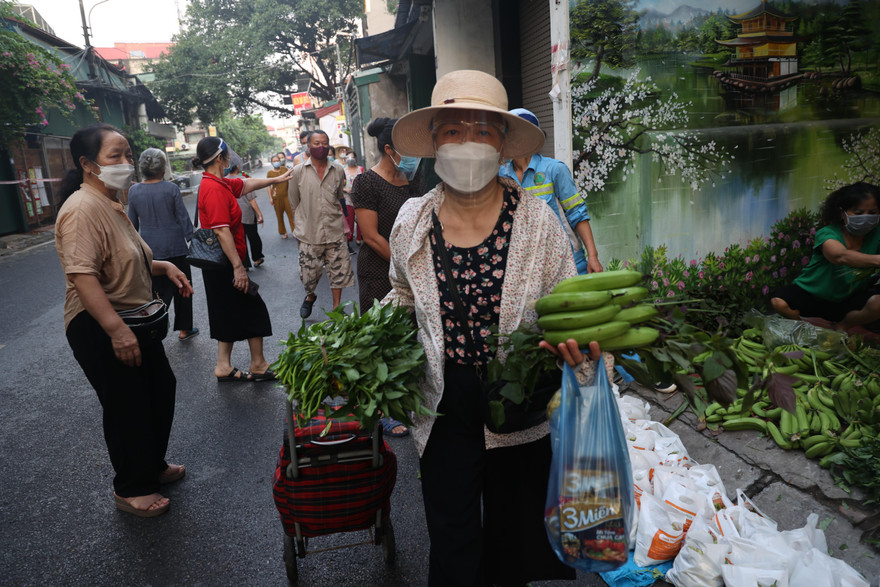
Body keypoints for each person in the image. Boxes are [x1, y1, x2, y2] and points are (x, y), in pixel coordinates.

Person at [385, 69, 606, 585]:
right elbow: (400, 291)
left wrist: (581, 355)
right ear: (434, 141)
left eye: (483, 130)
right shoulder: (411, 221)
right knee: (453, 538)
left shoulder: (540, 224)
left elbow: (566, 306)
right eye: (453, 130)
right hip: (441, 400)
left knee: (514, 544)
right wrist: (384, 351)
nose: (467, 142)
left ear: (504, 143)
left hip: (519, 399)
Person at [55, 124, 193, 517]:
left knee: (159, 388)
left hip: (132, 317)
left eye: (128, 154)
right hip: (99, 322)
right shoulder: (82, 209)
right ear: (87, 164)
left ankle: (151, 464)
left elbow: (129, 253)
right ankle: (131, 487)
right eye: (115, 155)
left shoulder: (114, 200)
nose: (126, 163)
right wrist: (115, 330)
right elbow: (83, 275)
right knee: (127, 402)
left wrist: (163, 266)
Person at [191, 137, 293, 382]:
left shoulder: (219, 182)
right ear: (220, 159)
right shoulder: (213, 188)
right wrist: (239, 268)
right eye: (228, 156)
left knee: (227, 312)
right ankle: (257, 364)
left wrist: (275, 179)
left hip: (224, 263)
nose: (230, 160)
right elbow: (221, 230)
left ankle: (224, 366)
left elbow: (245, 184)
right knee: (252, 308)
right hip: (226, 263)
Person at [350, 117, 427, 438]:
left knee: (409, 336)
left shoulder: (411, 182)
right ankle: (380, 410)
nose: (412, 156)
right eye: (406, 149)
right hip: (380, 271)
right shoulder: (366, 183)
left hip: (411, 270)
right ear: (388, 149)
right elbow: (370, 236)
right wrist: (404, 267)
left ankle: (404, 400)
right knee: (380, 338)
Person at [499, 108, 603, 275]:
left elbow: (577, 213)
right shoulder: (501, 175)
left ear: (529, 137)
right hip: (526, 270)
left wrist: (593, 255)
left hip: (567, 262)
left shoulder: (554, 170)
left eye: (510, 132)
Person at [771, 182, 880, 330]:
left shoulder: (877, 234)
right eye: (859, 213)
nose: (866, 218)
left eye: (873, 213)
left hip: (849, 299)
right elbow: (839, 256)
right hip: (812, 295)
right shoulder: (827, 233)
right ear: (843, 212)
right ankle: (804, 329)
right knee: (779, 302)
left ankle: (842, 326)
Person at [128, 148, 198, 340]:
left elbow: (132, 225)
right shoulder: (171, 189)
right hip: (176, 247)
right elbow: (183, 219)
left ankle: (155, 328)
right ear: (162, 168)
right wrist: (193, 240)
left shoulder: (134, 191)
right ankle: (184, 330)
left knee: (157, 293)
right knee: (183, 287)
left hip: (150, 252)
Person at [288, 129, 355, 318]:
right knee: (309, 276)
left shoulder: (338, 170)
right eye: (317, 143)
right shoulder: (298, 172)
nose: (321, 147)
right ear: (308, 146)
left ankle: (336, 309)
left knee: (338, 273)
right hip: (309, 233)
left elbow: (339, 198)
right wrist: (298, 229)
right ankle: (310, 296)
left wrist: (346, 225)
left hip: (334, 230)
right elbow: (294, 203)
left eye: (325, 143)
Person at [228, 164, 265, 268]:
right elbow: (252, 200)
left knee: (239, 240)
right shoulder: (244, 180)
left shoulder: (224, 180)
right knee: (253, 237)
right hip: (247, 214)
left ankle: (244, 263)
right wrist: (259, 214)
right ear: (238, 167)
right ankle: (257, 258)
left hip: (232, 215)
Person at [267, 154, 295, 239]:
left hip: (287, 196)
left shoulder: (285, 169)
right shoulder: (270, 173)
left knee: (291, 215)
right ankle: (283, 232)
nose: (276, 162)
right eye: (274, 161)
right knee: (279, 216)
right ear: (271, 163)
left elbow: (291, 180)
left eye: (277, 161)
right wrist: (270, 198)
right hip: (276, 197)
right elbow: (268, 186)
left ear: (280, 161)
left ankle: (295, 232)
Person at [343, 156, 364, 246]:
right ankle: (349, 238)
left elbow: (364, 181)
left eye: (352, 156)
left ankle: (359, 237)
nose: (351, 158)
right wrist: (346, 190)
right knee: (350, 219)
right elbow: (339, 184)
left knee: (360, 220)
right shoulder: (343, 170)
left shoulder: (361, 169)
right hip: (347, 198)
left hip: (359, 198)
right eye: (349, 156)